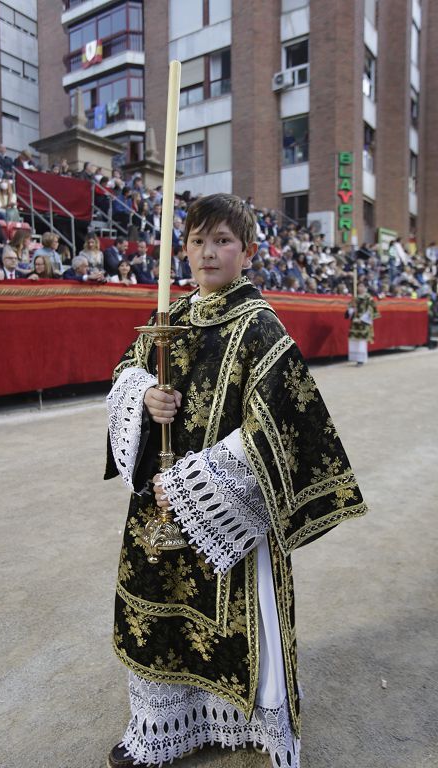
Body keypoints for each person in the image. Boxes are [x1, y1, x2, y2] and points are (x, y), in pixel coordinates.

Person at [105, 193, 367, 768]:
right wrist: (143, 396)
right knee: (161, 606)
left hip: (224, 509)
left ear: (247, 252)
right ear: (185, 249)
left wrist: (200, 480)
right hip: (157, 507)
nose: (207, 253)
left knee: (240, 612)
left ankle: (249, 719)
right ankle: (159, 726)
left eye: (222, 241)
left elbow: (284, 424)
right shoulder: (167, 316)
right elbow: (126, 370)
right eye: (197, 241)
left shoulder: (260, 327)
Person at [346, 281, 381, 365]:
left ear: (366, 288)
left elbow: (371, 310)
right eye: (359, 286)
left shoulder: (369, 298)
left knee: (362, 341)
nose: (360, 288)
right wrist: (352, 309)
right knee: (354, 340)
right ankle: (354, 357)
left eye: (362, 286)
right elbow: (349, 310)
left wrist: (362, 318)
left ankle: (361, 359)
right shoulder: (355, 298)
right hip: (354, 322)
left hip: (364, 322)